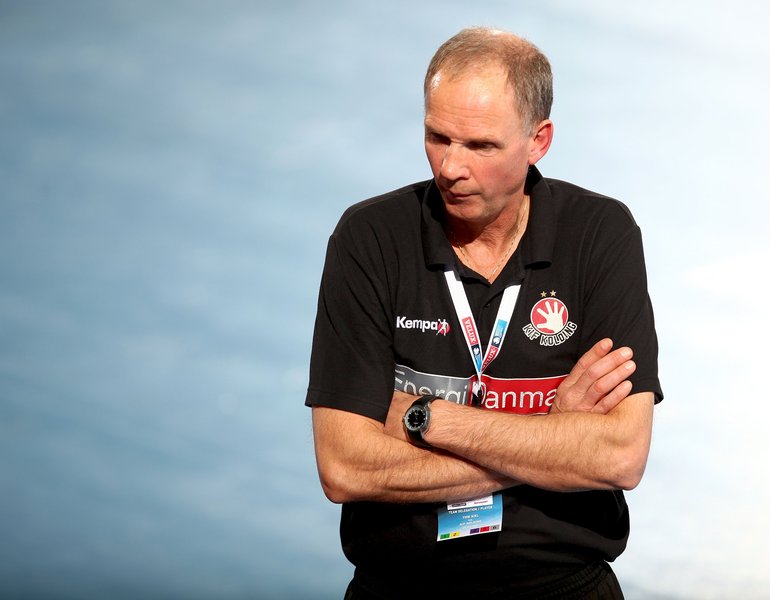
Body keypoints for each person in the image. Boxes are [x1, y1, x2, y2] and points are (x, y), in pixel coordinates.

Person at [306, 27, 662, 600]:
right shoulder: (369, 238)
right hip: (397, 588)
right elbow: (345, 467)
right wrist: (551, 437)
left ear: (538, 141)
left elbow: (619, 456)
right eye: (437, 137)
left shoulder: (600, 235)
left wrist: (427, 419)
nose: (450, 167)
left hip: (563, 585)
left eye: (480, 146)